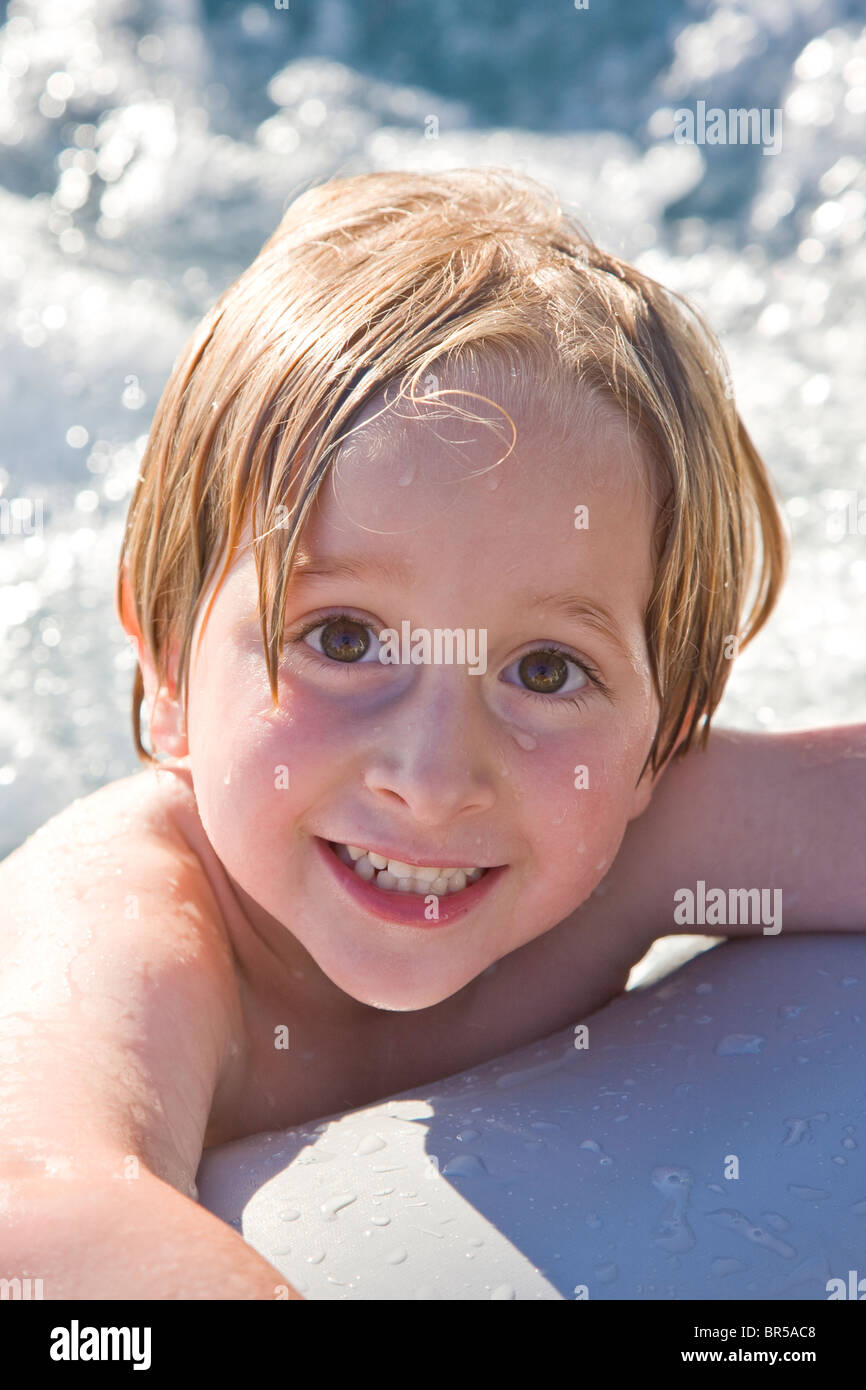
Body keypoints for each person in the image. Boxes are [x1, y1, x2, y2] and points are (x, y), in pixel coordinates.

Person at [1, 169, 862, 1300]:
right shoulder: (135, 925)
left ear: (662, 734)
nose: (434, 777)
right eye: (343, 638)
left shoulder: (623, 837)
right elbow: (38, 1209)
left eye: (543, 671)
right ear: (165, 664)